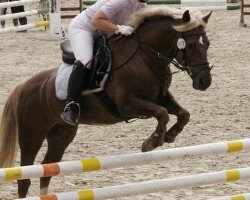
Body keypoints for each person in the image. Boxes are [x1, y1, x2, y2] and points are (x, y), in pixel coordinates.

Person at [61, 0, 148, 126]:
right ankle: (70, 105)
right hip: (85, 28)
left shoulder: (142, 5)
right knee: (86, 60)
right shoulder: (120, 2)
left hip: (104, 32)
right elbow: (96, 21)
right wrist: (119, 28)